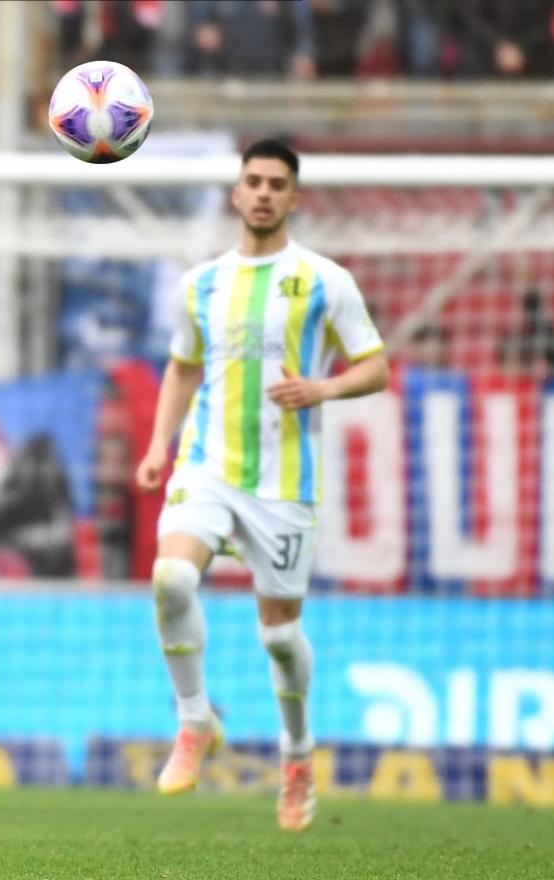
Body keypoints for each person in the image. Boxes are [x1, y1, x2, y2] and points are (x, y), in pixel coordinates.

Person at [134, 139, 388, 832]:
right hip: (207, 465)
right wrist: (160, 444)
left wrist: (323, 386)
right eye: (254, 181)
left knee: (279, 638)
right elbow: (182, 368)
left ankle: (298, 757)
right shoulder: (201, 284)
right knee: (171, 582)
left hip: (284, 483)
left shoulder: (325, 280)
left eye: (278, 182)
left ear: (294, 197)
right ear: (237, 193)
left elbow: (376, 366)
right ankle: (195, 722)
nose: (265, 192)